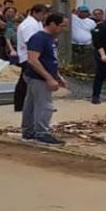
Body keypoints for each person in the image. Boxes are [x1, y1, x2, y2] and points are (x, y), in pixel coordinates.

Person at [21, 12, 69, 145]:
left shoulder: (50, 38)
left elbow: (50, 59)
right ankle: (41, 132)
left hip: (41, 76)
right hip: (38, 77)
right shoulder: (39, 38)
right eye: (62, 26)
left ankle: (29, 131)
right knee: (44, 105)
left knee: (31, 105)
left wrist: (57, 76)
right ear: (52, 24)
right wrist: (48, 78)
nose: (64, 30)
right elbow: (33, 60)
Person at [14, 4, 48, 112]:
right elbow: (30, 41)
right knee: (26, 82)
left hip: (33, 55)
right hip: (28, 56)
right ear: (34, 12)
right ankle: (19, 105)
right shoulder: (29, 25)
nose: (44, 16)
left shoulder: (37, 23)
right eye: (42, 13)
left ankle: (24, 105)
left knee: (27, 82)